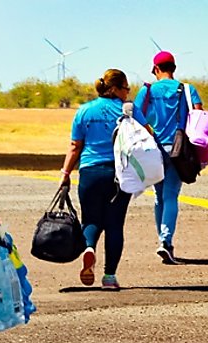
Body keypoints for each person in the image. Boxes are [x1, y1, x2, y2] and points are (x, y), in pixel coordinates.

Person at [59, 68, 148, 290]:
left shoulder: (84, 111)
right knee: (115, 224)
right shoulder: (129, 109)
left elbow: (75, 146)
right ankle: (109, 276)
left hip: (89, 172)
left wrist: (65, 173)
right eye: (126, 88)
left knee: (90, 219)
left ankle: (89, 247)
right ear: (116, 88)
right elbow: (148, 135)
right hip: (120, 173)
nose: (128, 92)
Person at [133, 51, 202, 264]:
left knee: (158, 196)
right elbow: (199, 115)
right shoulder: (187, 90)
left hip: (152, 150)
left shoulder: (146, 91)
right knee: (171, 196)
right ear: (174, 68)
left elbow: (134, 115)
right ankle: (166, 241)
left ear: (155, 69)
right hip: (178, 149)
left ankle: (162, 240)